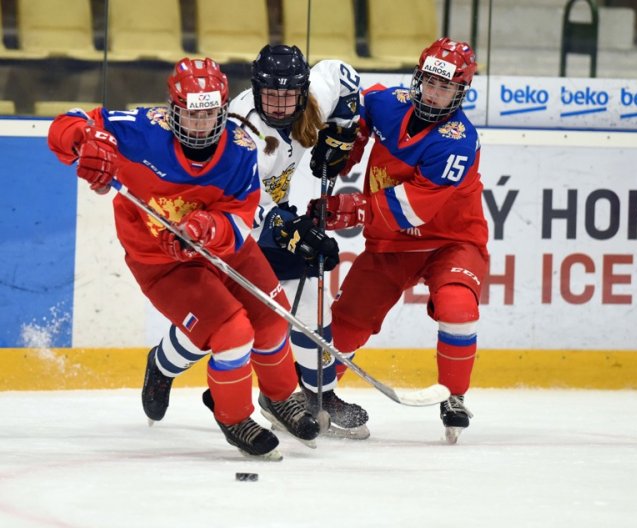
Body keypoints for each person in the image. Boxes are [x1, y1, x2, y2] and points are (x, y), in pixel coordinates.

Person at [47, 57, 320, 460]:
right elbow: (63, 126)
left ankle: (279, 397)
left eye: (210, 115)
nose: (200, 125)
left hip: (224, 247)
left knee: (271, 312)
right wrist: (87, 140)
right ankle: (234, 416)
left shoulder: (241, 150)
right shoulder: (138, 131)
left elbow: (243, 219)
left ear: (223, 111)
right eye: (191, 115)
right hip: (162, 262)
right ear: (172, 109)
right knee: (232, 331)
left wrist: (212, 229)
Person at [142, 45, 371, 439]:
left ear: (301, 90)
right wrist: (290, 229)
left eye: (288, 95)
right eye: (271, 95)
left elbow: (343, 74)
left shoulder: (312, 94)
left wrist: (342, 130)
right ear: (256, 90)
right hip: (220, 227)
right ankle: (162, 366)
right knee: (219, 325)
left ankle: (320, 395)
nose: (280, 104)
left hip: (265, 219)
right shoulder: (241, 132)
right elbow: (241, 208)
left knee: (309, 298)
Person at [309, 37, 489, 444]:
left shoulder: (457, 140)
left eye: (446, 88)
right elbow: (358, 110)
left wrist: (353, 208)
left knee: (458, 306)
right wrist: (345, 144)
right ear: (418, 77)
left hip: (451, 242)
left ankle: (454, 396)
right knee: (350, 320)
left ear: (460, 93)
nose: (434, 93)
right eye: (429, 82)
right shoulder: (388, 102)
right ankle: (314, 392)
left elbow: (412, 209)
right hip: (391, 245)